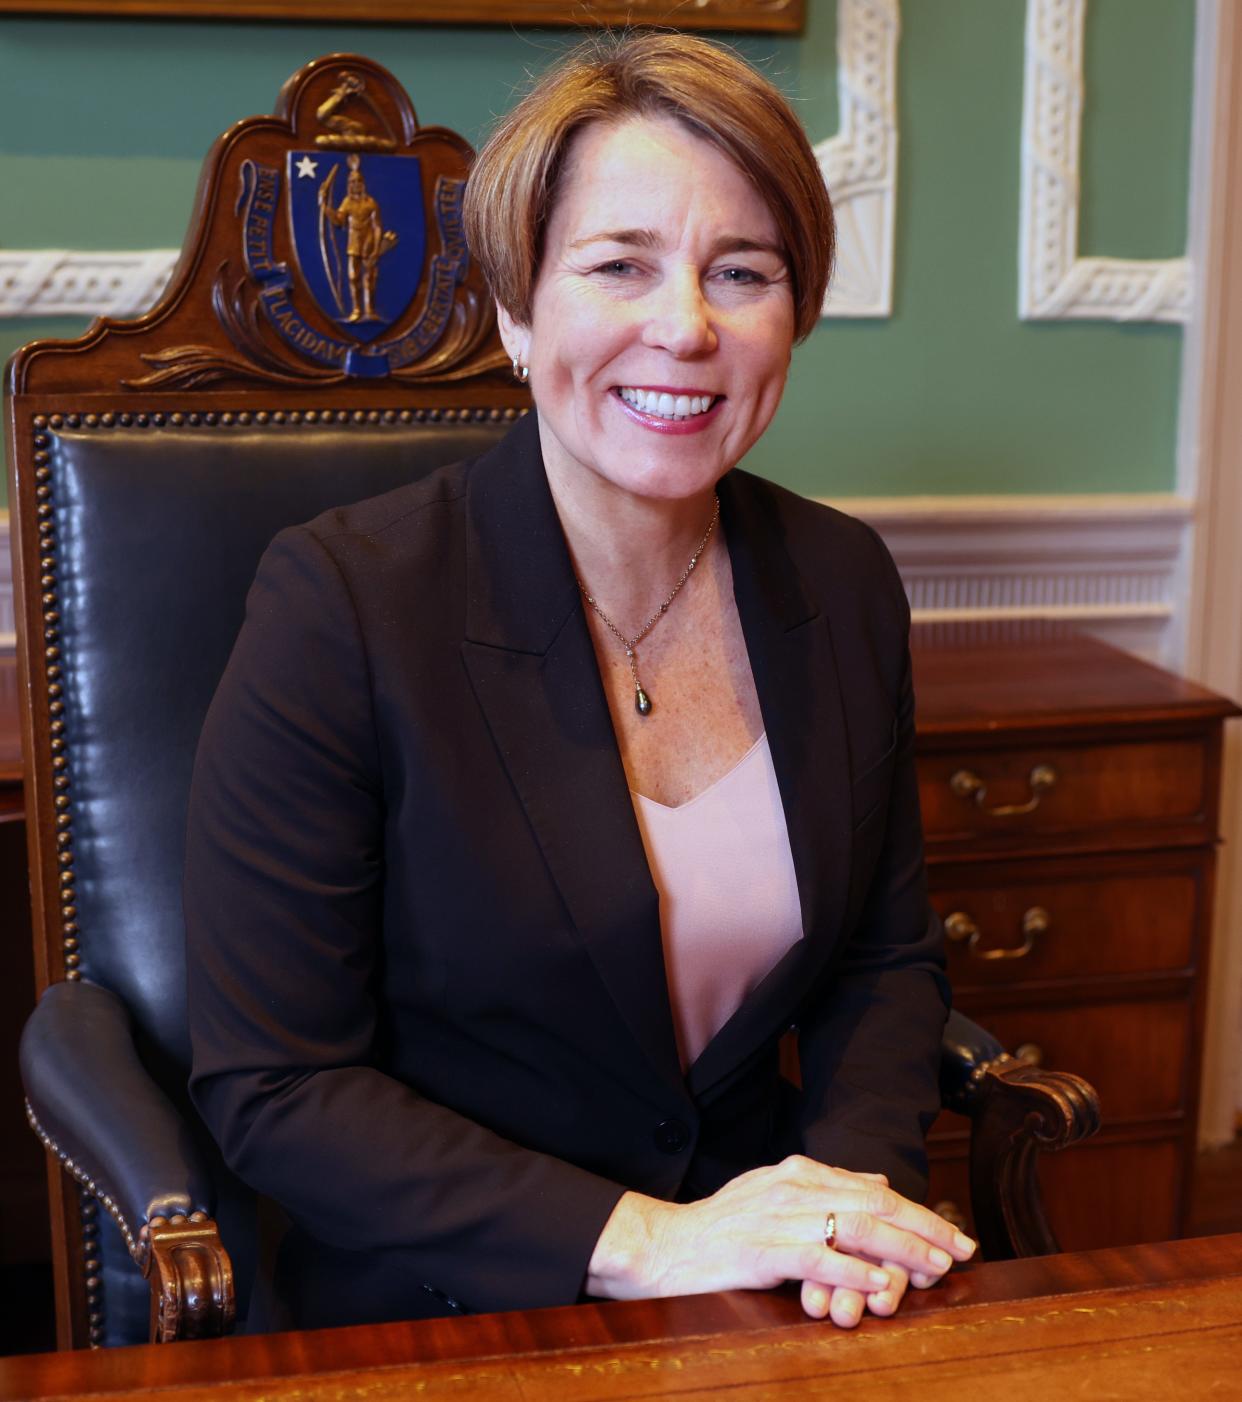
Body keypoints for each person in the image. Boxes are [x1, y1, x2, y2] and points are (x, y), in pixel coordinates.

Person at [185, 31, 974, 1336]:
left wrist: (843, 1205)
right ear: (513, 309)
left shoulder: (840, 581)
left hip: (770, 1290)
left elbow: (881, 968)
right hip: (446, 1308)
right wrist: (648, 1240)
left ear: (794, 315)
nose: (685, 326)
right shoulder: (340, 602)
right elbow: (277, 1081)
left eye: (745, 272)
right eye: (619, 266)